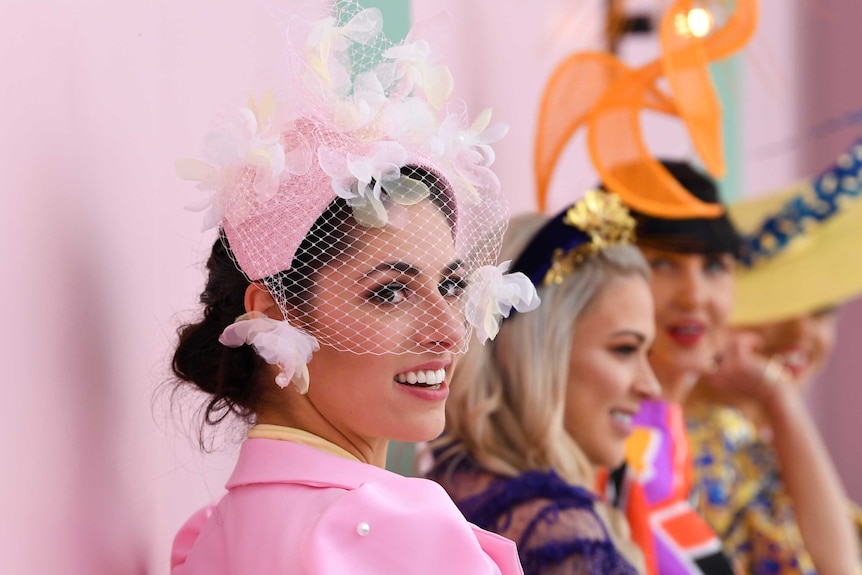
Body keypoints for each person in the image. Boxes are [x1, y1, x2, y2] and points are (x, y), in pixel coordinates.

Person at [168, 3, 536, 574]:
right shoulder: (401, 535)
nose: (449, 333)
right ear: (274, 316)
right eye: (390, 292)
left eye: (450, 287)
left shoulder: (208, 539)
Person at [428, 189, 661, 575]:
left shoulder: (443, 490)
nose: (650, 386)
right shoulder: (561, 534)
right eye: (624, 349)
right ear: (533, 353)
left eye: (647, 353)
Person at [685, 145, 862, 575]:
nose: (802, 333)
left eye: (822, 311)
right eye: (777, 306)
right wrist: (779, 396)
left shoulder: (762, 449)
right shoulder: (703, 448)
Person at [598, 161, 739, 575]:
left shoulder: (670, 435)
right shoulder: (610, 446)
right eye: (662, 264)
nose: (694, 295)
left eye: (714, 266)